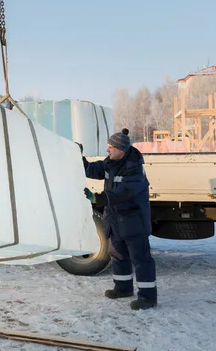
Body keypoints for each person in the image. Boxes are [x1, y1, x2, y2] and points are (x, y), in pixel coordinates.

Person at [81, 128, 157, 310]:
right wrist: (78, 157)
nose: (107, 150)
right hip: (115, 221)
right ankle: (123, 287)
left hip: (133, 222)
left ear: (121, 150)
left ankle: (148, 297)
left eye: (110, 147)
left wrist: (97, 198)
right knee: (118, 255)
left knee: (141, 259)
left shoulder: (134, 170)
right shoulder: (111, 163)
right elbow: (93, 169)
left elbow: (122, 193)